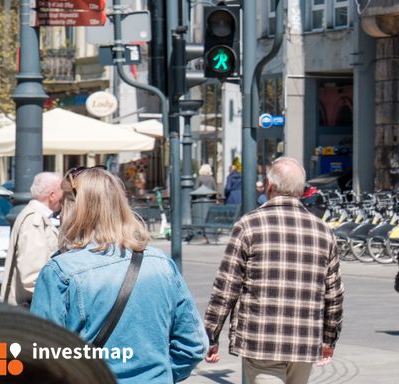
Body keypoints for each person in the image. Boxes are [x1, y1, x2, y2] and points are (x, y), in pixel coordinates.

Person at [30, 166, 207, 384]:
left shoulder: (60, 271)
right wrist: (159, 374)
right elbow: (194, 345)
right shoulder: (161, 264)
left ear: (74, 209)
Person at [205, 157, 344, 383]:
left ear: (270, 186)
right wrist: (329, 339)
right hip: (304, 340)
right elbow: (334, 294)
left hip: (261, 341)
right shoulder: (323, 231)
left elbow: (226, 286)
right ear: (301, 189)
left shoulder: (249, 225)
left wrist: (211, 335)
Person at [1, 171, 62, 307]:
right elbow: (31, 277)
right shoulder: (34, 220)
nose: (63, 196)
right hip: (29, 310)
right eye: (61, 191)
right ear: (52, 195)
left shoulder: (36, 217)